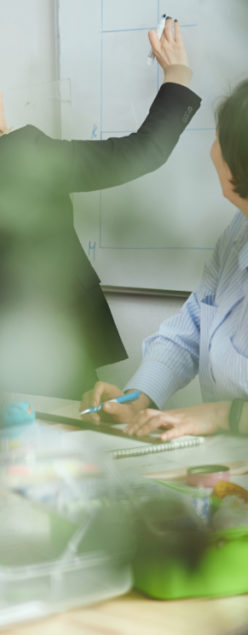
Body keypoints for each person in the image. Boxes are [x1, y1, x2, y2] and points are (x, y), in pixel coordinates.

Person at [0, 18, 200, 399]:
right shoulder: (19, 155)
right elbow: (141, 152)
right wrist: (177, 75)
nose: (0, 94)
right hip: (42, 369)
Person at [82, 79, 248, 441]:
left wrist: (222, 414)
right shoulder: (239, 228)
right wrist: (139, 397)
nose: (210, 150)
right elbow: (190, 328)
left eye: (218, 139)